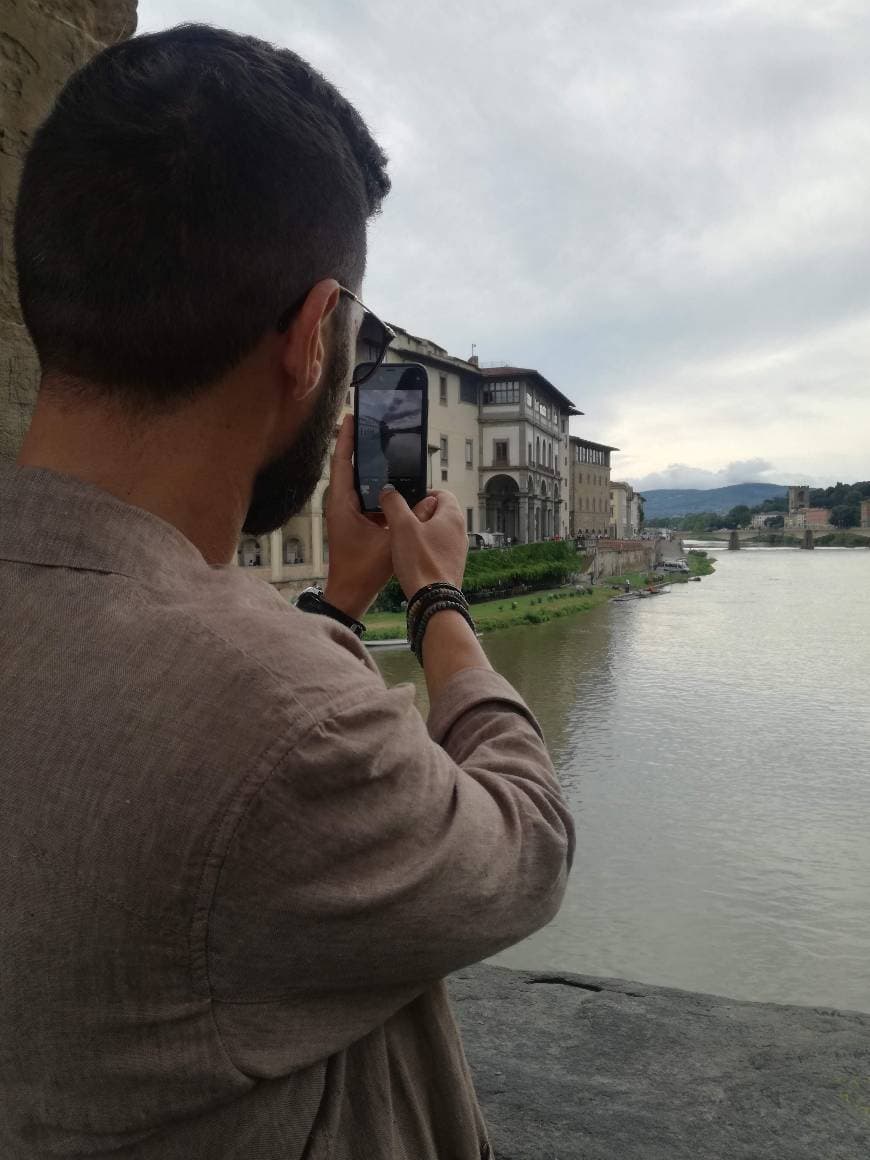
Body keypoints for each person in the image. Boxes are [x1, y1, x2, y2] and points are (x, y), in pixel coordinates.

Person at [0, 25, 574, 1160]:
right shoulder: (286, 722)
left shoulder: (248, 687)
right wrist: (437, 603)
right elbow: (525, 842)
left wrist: (330, 610)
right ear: (313, 336)